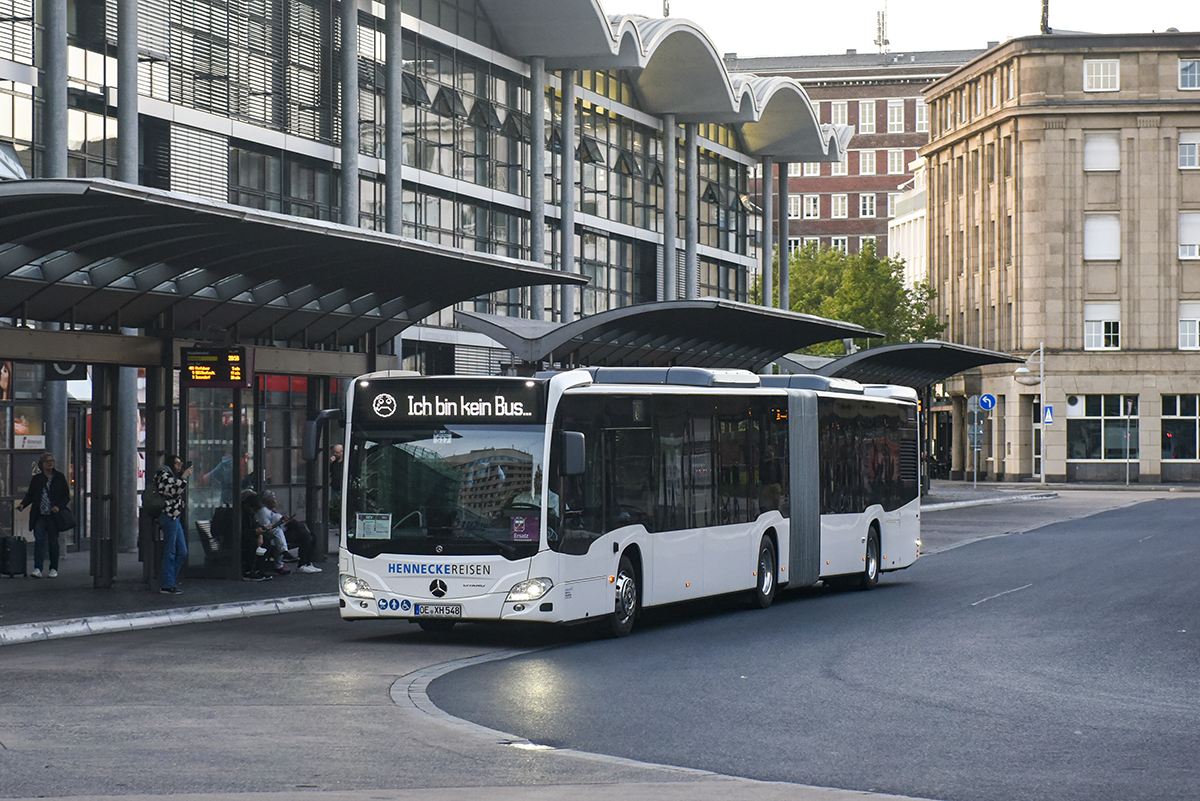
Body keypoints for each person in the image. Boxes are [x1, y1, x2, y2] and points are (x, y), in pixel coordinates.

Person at [16, 452, 70, 578]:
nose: (50, 463)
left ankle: (53, 568)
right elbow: (31, 495)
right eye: (47, 461)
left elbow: (66, 496)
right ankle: (38, 568)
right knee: (39, 541)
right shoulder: (37, 479)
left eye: (51, 461)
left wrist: (58, 507)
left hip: (53, 515)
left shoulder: (59, 477)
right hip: (40, 515)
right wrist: (23, 504)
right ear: (42, 464)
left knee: (53, 542)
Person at [255, 490, 321, 574]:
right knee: (305, 537)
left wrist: (285, 520)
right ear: (267, 500)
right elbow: (268, 527)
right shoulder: (263, 512)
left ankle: (307, 562)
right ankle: (302, 564)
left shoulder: (272, 510)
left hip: (282, 530)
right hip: (276, 534)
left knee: (312, 535)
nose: (275, 501)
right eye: (273, 499)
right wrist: (281, 522)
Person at [154, 454, 192, 595]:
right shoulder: (163, 474)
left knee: (182, 551)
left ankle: (169, 580)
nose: (179, 466)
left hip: (175, 515)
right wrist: (184, 477)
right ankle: (167, 584)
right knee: (171, 550)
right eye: (176, 463)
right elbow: (172, 490)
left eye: (180, 463)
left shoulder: (171, 475)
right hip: (168, 515)